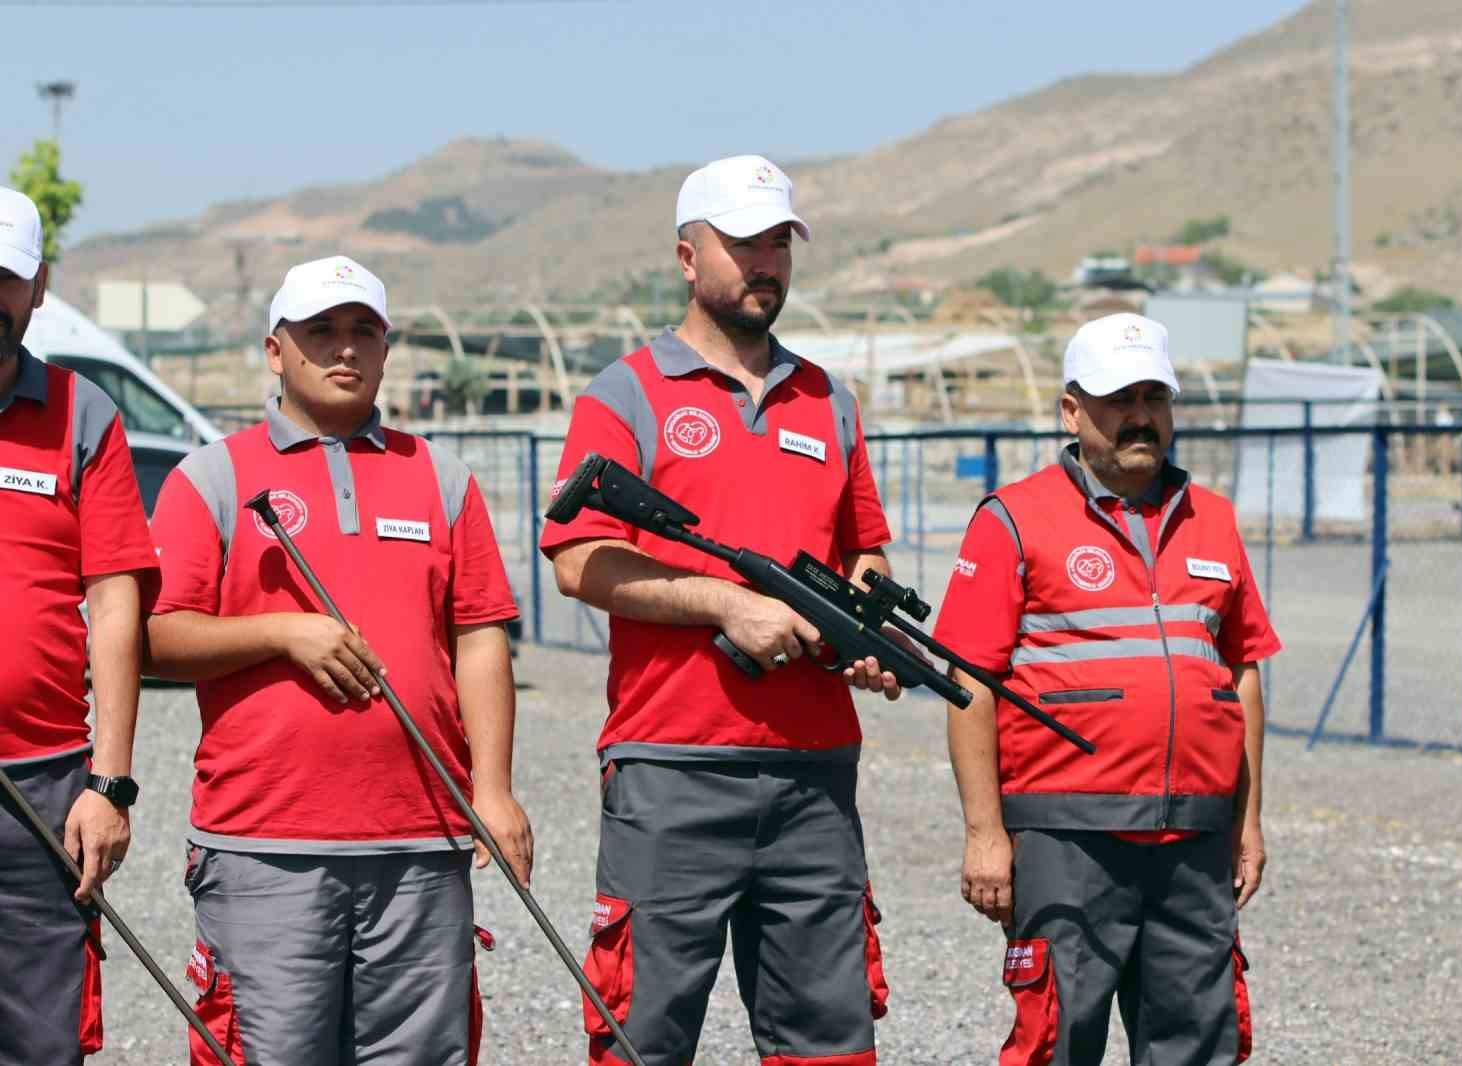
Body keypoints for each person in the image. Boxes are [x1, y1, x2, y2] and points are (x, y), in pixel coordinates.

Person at [542, 154, 903, 1066]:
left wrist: (864, 629)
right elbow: (579, 563)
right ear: (686, 255)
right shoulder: (624, 394)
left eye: (778, 242)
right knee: (642, 1037)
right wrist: (721, 605)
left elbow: (866, 549)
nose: (764, 263)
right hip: (670, 768)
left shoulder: (830, 400)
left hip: (815, 775)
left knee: (829, 1042)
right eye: (742, 243)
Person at [145, 255, 531, 1066]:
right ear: (276, 350)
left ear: (387, 350)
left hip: (422, 846)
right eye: (321, 331)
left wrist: (492, 790)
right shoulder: (211, 477)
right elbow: (156, 635)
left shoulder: (441, 478)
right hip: (263, 848)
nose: (345, 349)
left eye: (365, 332)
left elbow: (481, 637)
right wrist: (283, 631)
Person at [933, 312, 1279, 1065]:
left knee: (1201, 1042)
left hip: (1193, 837)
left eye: (1155, 397)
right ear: (1072, 410)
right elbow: (971, 685)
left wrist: (1246, 822)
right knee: (1058, 1040)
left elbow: (1242, 673)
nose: (1140, 416)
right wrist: (985, 834)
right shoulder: (1013, 520)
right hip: (1067, 836)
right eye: (1120, 398)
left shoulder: (1213, 520)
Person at [0, 186, 159, 1065]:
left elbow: (114, 601)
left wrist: (111, 784)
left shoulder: (84, 414)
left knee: (41, 1042)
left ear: (38, 287)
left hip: (42, 794)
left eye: (4, 280)